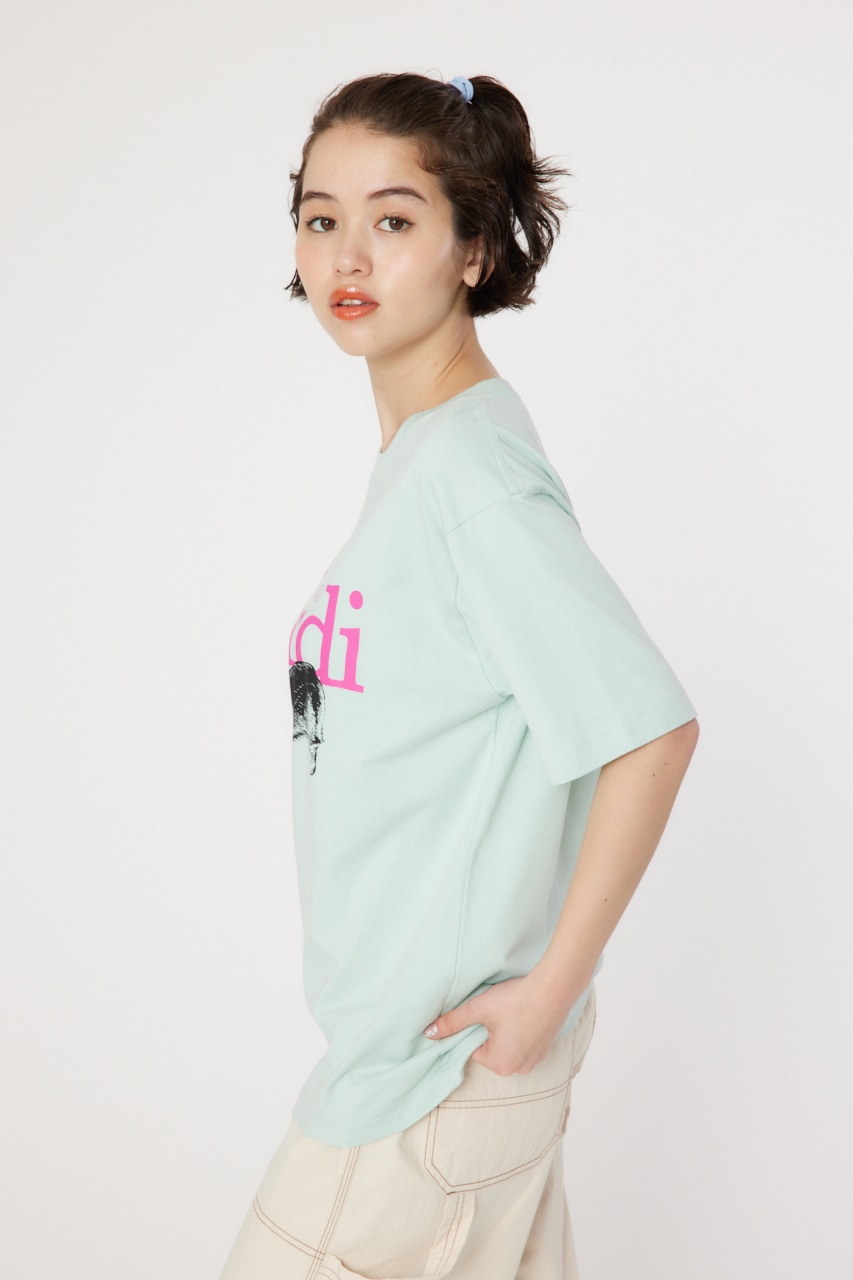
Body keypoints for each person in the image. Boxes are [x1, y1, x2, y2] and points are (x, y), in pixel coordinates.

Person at [221, 71, 700, 1280]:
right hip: (436, 1075)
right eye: (321, 216)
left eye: (394, 218)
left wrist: (547, 993)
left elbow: (649, 729)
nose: (348, 253)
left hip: (422, 1087)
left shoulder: (468, 478)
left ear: (473, 248)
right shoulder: (431, 456)